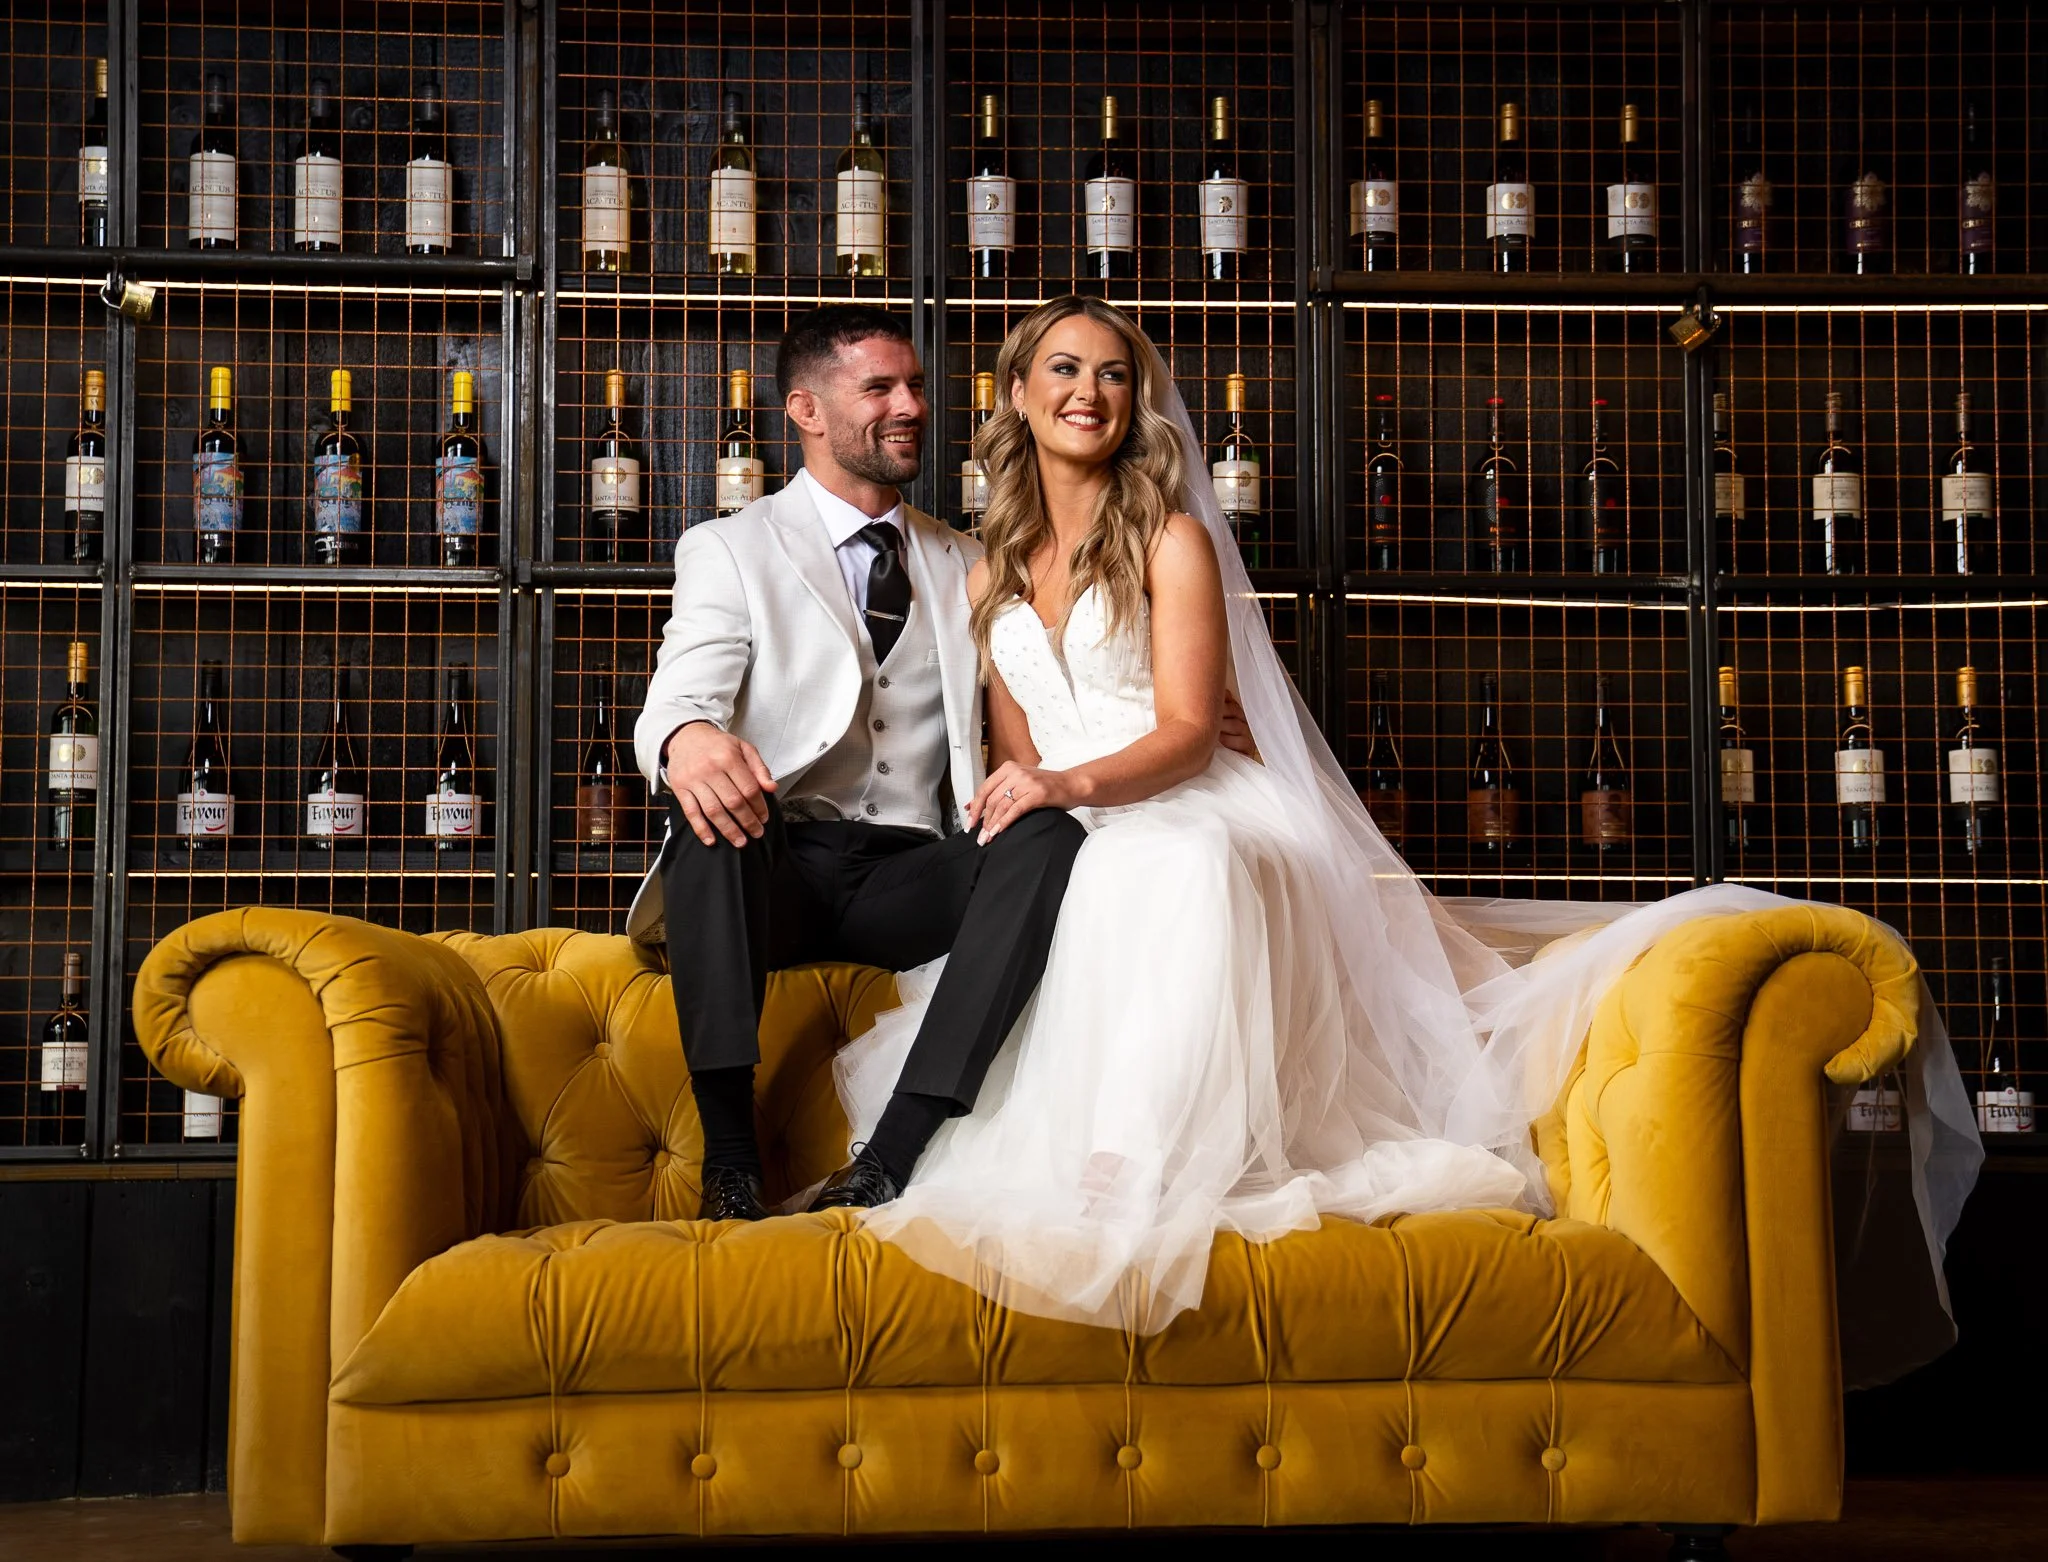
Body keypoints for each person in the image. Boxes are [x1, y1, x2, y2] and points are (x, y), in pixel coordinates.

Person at [832, 295, 1984, 1347]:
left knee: (1176, 861)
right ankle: (1008, 1139)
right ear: (1018, 395)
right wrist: (1028, 794)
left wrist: (1072, 789)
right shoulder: (988, 569)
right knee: (1055, 877)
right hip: (1069, 814)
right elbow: (1019, 737)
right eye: (1063, 368)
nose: (1089, 390)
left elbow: (1188, 729)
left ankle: (1126, 1166)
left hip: (1182, 797)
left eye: (1115, 374)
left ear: (1136, 404)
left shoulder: (1167, 539)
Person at [629, 304, 1256, 1223]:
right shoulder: (730, 548)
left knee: (1045, 837)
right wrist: (686, 740)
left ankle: (894, 1153)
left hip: (913, 873)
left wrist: (1196, 726)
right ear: (806, 409)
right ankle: (729, 1157)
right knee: (712, 815)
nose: (911, 406)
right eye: (879, 389)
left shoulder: (974, 562)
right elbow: (683, 689)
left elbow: (1033, 735)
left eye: (916, 386)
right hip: (783, 870)